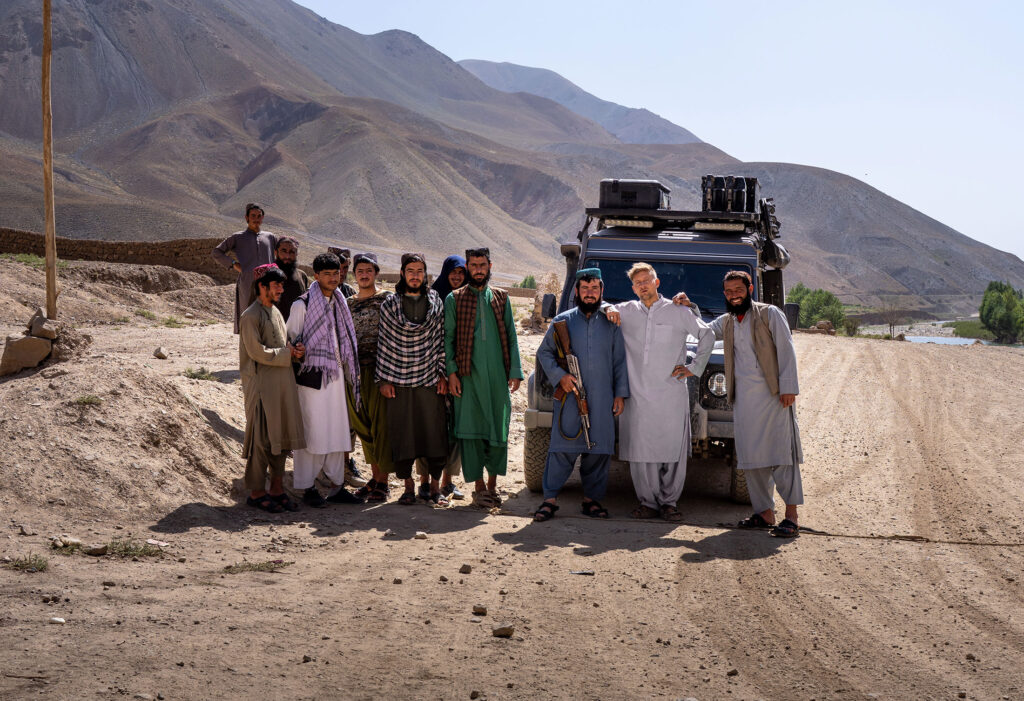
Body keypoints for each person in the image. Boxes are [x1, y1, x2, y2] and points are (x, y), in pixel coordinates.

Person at [673, 270, 804, 537]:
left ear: (750, 289)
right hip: (743, 400)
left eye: (738, 290)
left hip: (774, 396)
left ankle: (791, 517)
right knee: (750, 456)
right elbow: (703, 332)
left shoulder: (770, 314)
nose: (734, 295)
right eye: (729, 291)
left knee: (781, 455)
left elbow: (786, 348)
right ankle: (764, 512)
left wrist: (789, 387)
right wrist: (689, 308)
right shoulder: (728, 321)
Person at [603, 263, 713, 522]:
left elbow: (706, 334)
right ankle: (648, 503)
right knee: (641, 452)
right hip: (638, 396)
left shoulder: (677, 310)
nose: (642, 285)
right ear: (633, 288)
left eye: (646, 280)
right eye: (637, 282)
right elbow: (596, 303)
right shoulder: (626, 310)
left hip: (671, 393)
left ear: (657, 282)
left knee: (672, 449)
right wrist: (607, 307)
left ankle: (669, 503)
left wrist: (693, 368)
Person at [533, 269, 628, 521]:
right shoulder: (561, 322)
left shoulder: (612, 323)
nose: (589, 294)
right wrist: (560, 377)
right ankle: (550, 500)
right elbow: (544, 354)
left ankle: (591, 501)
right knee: (561, 447)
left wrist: (620, 395)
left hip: (603, 398)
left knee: (599, 449)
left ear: (601, 291)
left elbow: (619, 362)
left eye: (594, 289)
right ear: (576, 291)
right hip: (569, 398)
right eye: (584, 289)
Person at [445, 248, 523, 508]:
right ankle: (478, 488)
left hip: (498, 379)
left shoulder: (502, 297)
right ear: (467, 267)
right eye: (473, 265)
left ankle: (492, 486)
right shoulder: (454, 299)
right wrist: (452, 372)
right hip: (468, 377)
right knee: (471, 431)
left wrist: (515, 372)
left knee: (497, 428)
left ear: (490, 266)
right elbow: (448, 339)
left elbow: (511, 336)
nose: (478, 269)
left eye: (482, 265)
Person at [286, 253, 364, 508]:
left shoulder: (340, 301)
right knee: (312, 431)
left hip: (336, 377)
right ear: (316, 275)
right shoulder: (303, 304)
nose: (333, 278)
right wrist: (297, 350)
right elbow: (290, 340)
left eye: (336, 273)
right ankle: (307, 487)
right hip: (311, 380)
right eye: (327, 274)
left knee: (336, 429)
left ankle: (336, 486)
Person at [376, 254, 451, 506]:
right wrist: (384, 379)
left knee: (433, 433)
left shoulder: (435, 302)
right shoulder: (390, 305)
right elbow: (384, 344)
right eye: (411, 270)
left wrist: (442, 373)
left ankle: (433, 486)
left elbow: (440, 340)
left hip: (430, 378)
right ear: (402, 273)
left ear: (425, 274)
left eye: (420, 270)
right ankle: (408, 486)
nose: (415, 275)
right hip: (397, 380)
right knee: (403, 434)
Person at [239, 263, 304, 513]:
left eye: (281, 284)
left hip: (283, 384)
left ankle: (277, 489)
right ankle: (256, 492)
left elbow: (283, 343)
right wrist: (287, 353)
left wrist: (295, 351)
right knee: (262, 440)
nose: (280, 289)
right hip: (262, 387)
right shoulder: (250, 316)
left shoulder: (276, 312)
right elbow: (257, 352)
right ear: (261, 286)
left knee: (282, 438)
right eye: (276, 284)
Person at [416, 254, 469, 499]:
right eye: (453, 272)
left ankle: (448, 481)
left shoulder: (468, 299)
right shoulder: (433, 297)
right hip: (433, 373)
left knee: (455, 427)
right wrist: (440, 371)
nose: (457, 277)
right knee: (429, 426)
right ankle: (425, 482)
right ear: (445, 272)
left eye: (461, 272)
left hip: (460, 374)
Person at [346, 252, 395, 502]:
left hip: (380, 371)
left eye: (369, 270)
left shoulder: (386, 299)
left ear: (376, 273)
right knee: (362, 424)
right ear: (355, 274)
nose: (364, 275)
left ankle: (383, 482)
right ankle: (374, 478)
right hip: (355, 371)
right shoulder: (348, 302)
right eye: (360, 271)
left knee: (380, 425)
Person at [213, 203, 277, 333]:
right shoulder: (238, 237)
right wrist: (234, 264)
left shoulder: (270, 237)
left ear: (262, 218)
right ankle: (248, 347)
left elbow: (279, 255)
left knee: (269, 315)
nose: (256, 219)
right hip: (248, 281)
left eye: (259, 216)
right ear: (246, 217)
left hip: (269, 282)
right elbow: (216, 252)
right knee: (248, 314)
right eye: (253, 216)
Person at [273, 237, 308, 321]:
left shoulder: (302, 276)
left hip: (296, 329)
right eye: (284, 251)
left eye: (292, 252)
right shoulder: (265, 275)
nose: (287, 256)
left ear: (296, 254)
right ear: (276, 252)